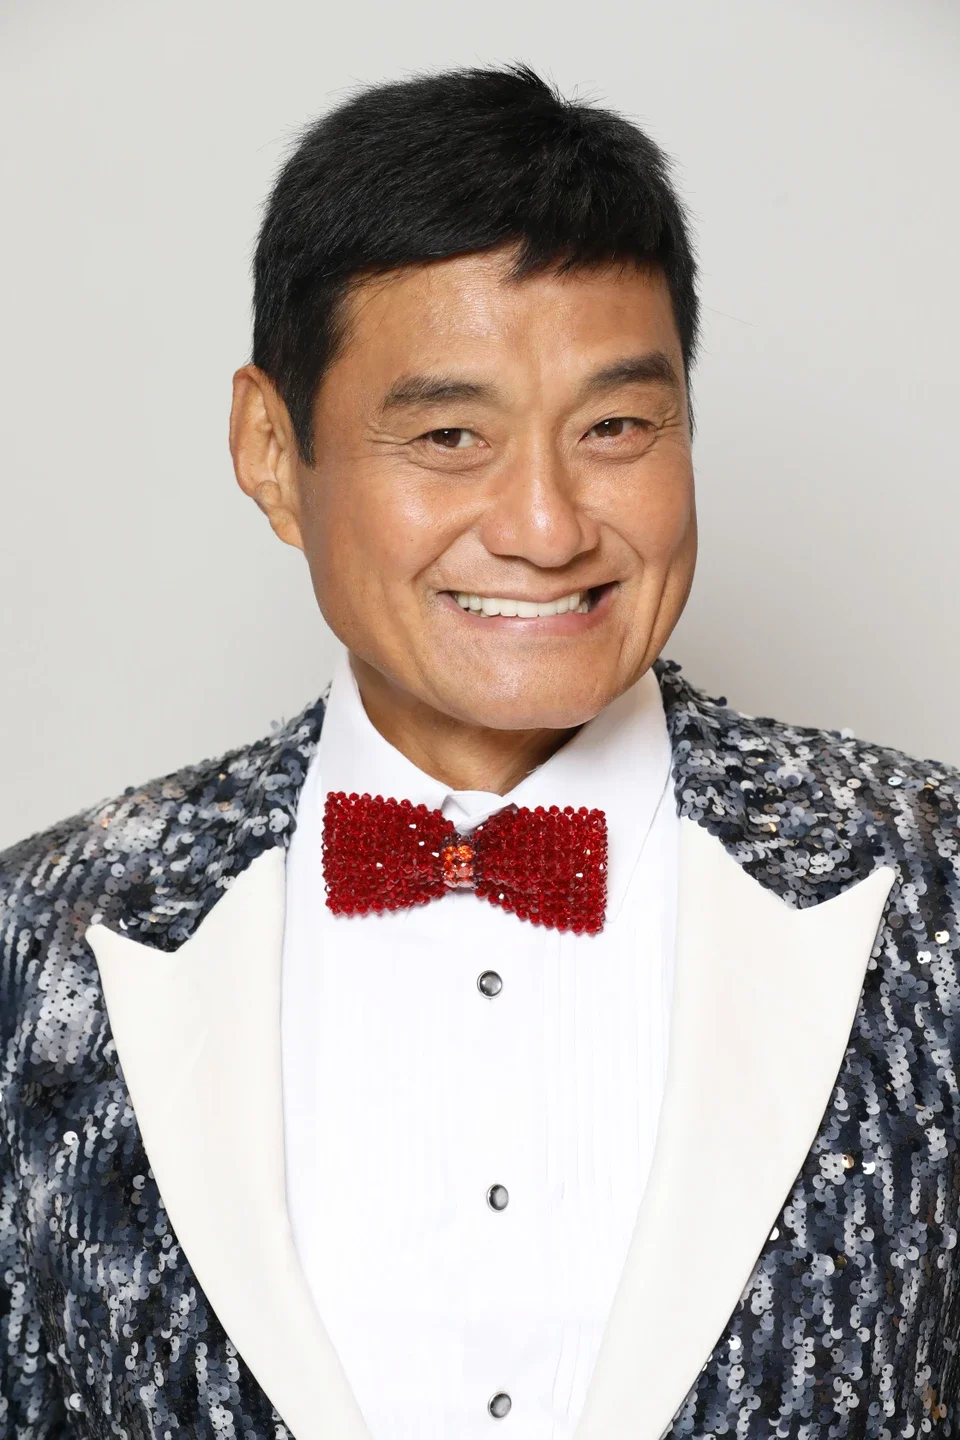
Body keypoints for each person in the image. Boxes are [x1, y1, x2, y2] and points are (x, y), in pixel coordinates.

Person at [1, 60, 957, 1440]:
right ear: (270, 449)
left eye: (616, 427)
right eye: (450, 435)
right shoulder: (42, 940)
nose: (547, 527)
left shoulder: (934, 883)